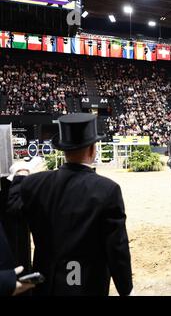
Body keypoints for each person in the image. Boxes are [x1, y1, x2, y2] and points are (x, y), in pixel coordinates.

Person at [6, 113, 133, 296]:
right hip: (87, 286)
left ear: (63, 150)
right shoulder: (108, 189)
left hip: (46, 285)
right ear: (92, 149)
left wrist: (21, 174)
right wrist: (126, 289)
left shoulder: (34, 183)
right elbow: (117, 248)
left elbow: (13, 205)